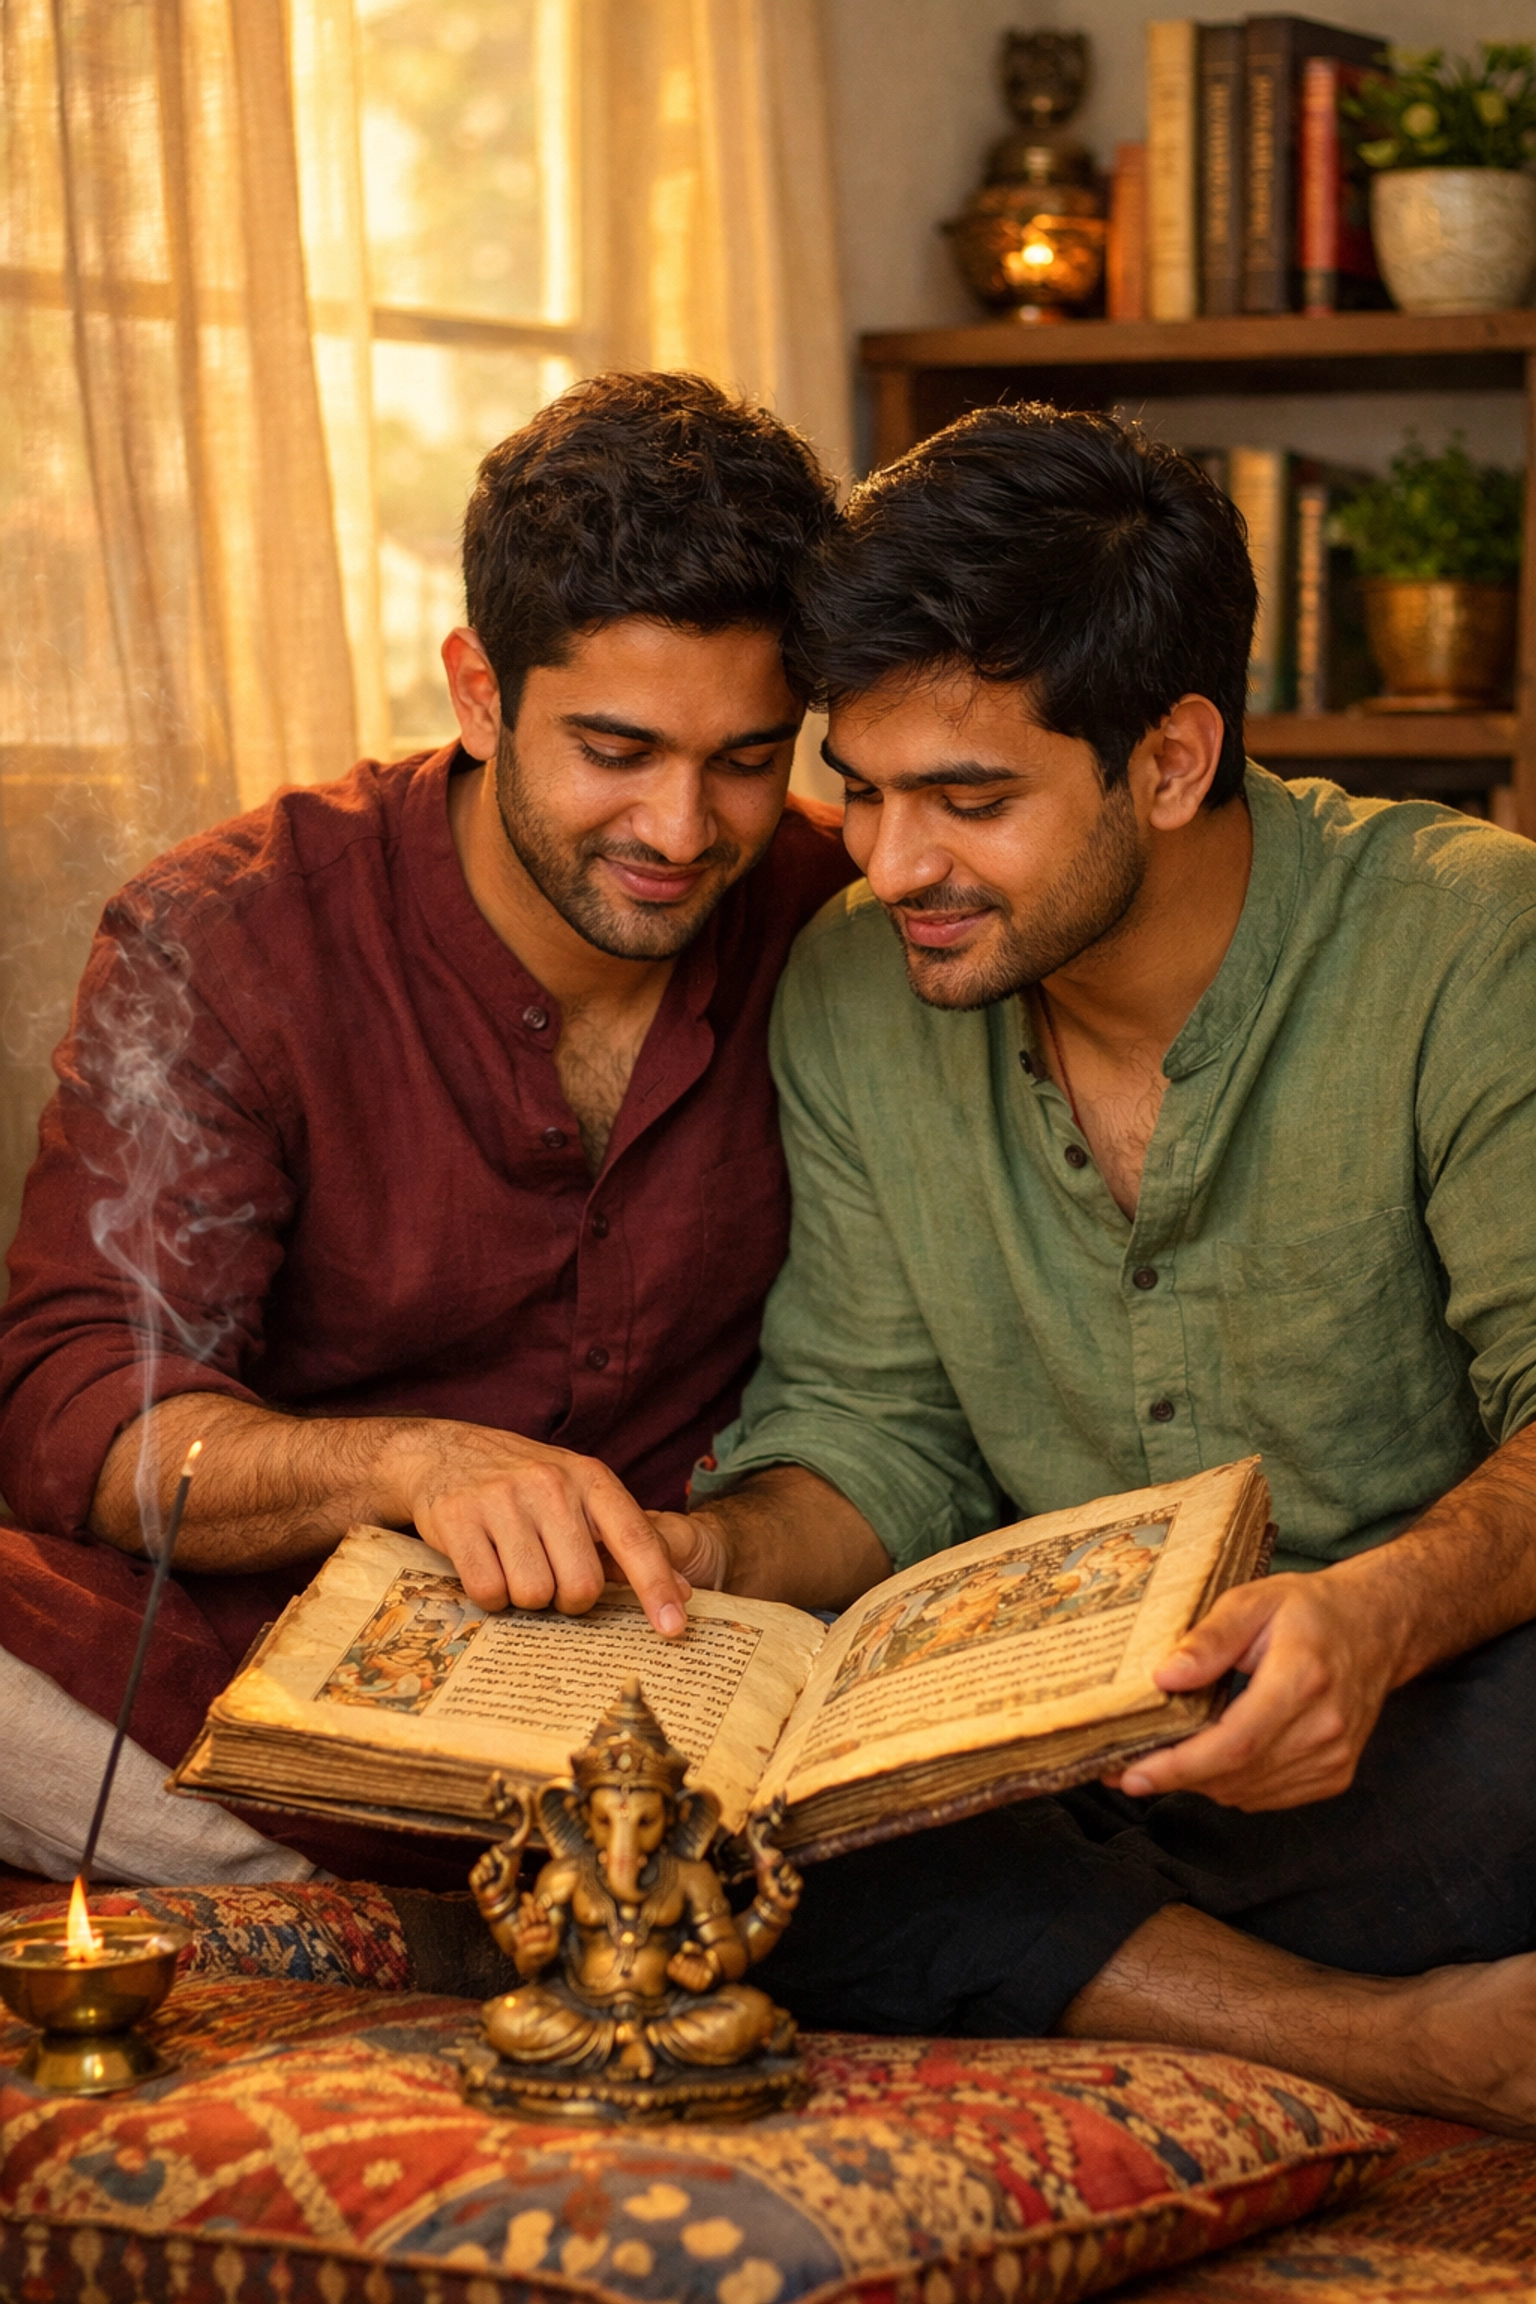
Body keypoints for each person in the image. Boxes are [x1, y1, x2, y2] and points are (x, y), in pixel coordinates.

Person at [660, 405, 1536, 2136]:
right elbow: (877, 1431)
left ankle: (1118, 1986)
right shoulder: (854, 992)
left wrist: (1372, 1622)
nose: (891, 863)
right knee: (734, 1841)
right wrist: (706, 1564)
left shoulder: (1470, 942)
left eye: (968, 801)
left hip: (1419, 1715)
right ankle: (1398, 2044)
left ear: (1171, 757)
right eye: (863, 791)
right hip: (1072, 1767)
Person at [0, 371, 852, 1887]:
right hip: (272, 1658)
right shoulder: (232, 936)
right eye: (616, 751)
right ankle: (461, 1910)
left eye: (744, 759)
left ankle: (444, 1911)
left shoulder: (834, 913)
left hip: (685, 1667)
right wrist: (407, 1468)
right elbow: (87, 1410)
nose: (680, 830)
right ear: (477, 690)